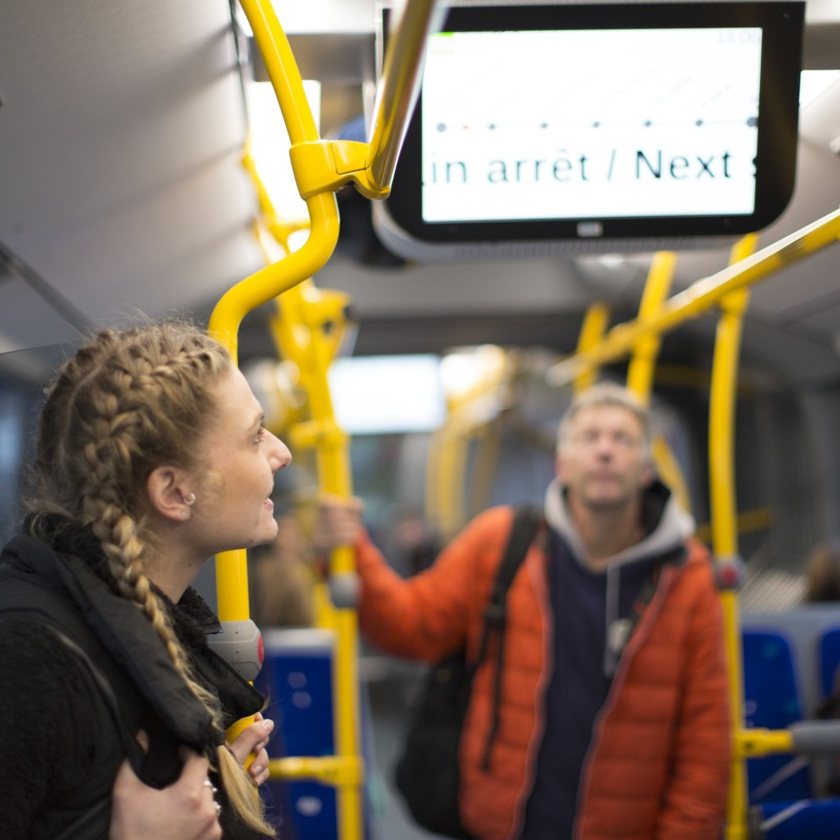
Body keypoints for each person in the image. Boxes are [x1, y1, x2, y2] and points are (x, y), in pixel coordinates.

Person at [316, 382, 731, 840]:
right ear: (562, 463)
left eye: (623, 439)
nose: (606, 450)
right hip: (499, 822)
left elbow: (705, 740)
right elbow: (413, 626)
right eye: (590, 437)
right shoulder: (501, 543)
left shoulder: (687, 577)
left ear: (648, 468)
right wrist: (350, 552)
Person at [0, 321, 293, 839]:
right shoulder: (27, 653)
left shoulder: (148, 629)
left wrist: (219, 786)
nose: (280, 452)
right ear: (175, 492)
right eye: (254, 436)